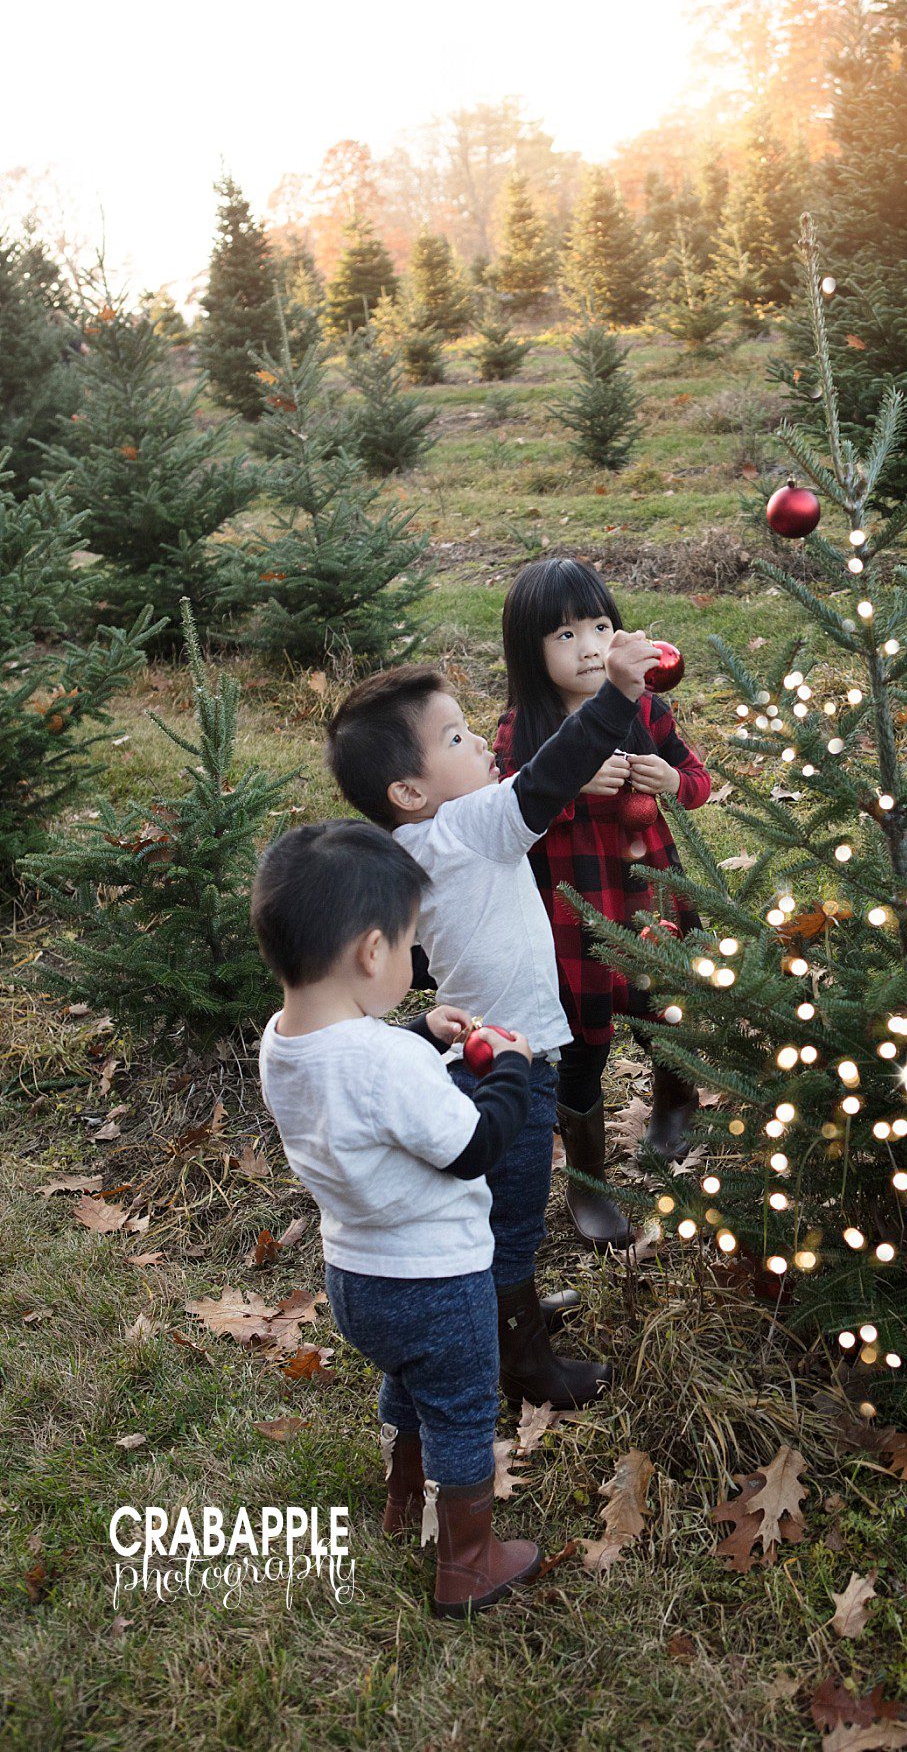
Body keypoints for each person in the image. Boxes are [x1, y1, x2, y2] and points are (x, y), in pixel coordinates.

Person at [324, 624, 660, 1400]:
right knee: (511, 1216)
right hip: (511, 1059)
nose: (479, 744)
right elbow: (553, 776)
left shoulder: (412, 845)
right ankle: (523, 1358)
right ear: (408, 792)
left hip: (469, 1053)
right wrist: (617, 694)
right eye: (454, 737)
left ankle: (509, 1310)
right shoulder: (469, 826)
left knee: (496, 1203)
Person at [252, 818, 538, 1616]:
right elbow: (473, 1146)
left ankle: (401, 1501)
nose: (415, 963)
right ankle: (468, 1563)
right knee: (460, 1406)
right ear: (372, 953)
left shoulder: (281, 1042)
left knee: (406, 1387)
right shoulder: (386, 1062)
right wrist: (509, 1072)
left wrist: (421, 1034)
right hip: (436, 1283)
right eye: (411, 946)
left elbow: (358, 1096)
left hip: (356, 1281)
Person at [496, 558, 712, 1251]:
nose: (589, 646)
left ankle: (674, 1103)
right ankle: (588, 1181)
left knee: (665, 1009)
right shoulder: (520, 731)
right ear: (530, 654)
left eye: (598, 626)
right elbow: (506, 819)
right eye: (563, 635)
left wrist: (672, 779)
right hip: (568, 911)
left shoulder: (646, 707)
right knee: (582, 1043)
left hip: (645, 895)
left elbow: (698, 779)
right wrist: (567, 787)